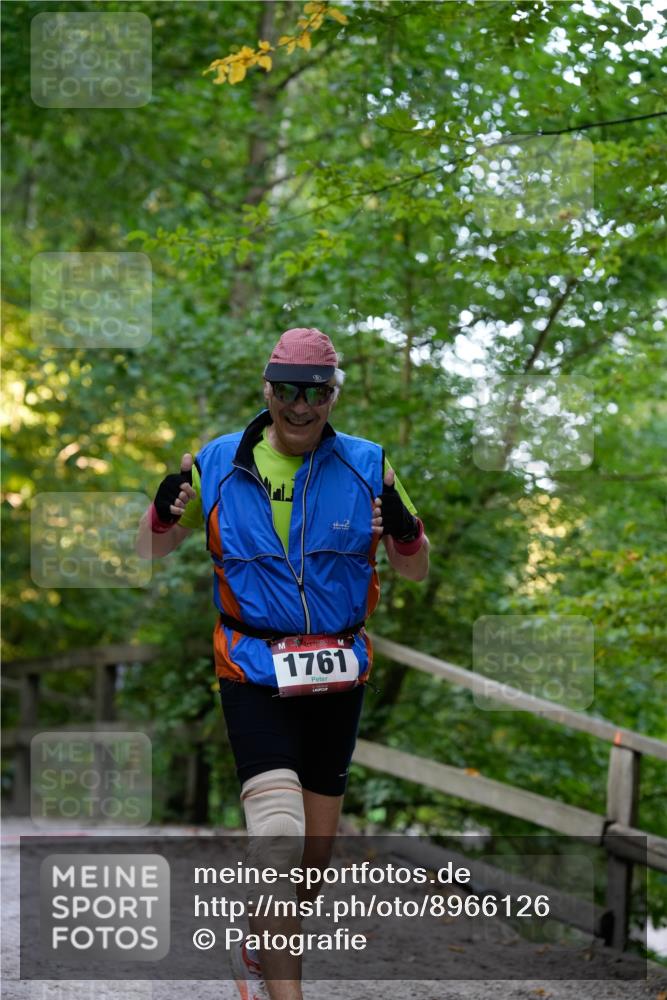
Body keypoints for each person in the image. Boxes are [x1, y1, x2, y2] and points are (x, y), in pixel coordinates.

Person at [135, 327, 429, 1000]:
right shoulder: (215, 463)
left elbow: (413, 570)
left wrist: (406, 527)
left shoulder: (366, 465)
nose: (300, 408)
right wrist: (159, 514)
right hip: (252, 671)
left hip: (336, 675)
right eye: (287, 392)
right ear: (266, 390)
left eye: (316, 394)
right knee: (278, 840)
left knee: (313, 864)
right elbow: (149, 553)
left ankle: (257, 943)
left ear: (333, 396)